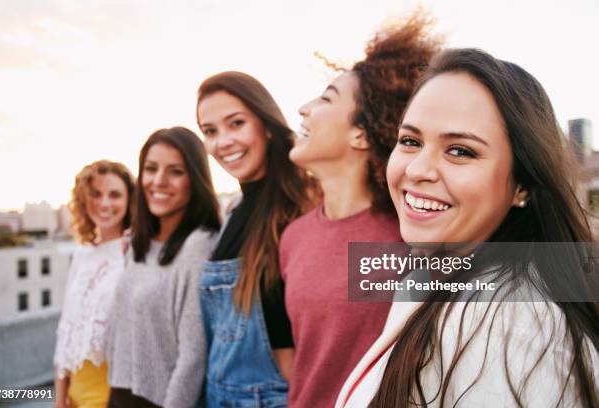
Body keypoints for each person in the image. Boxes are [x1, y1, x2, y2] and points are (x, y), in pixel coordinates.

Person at [337, 48, 599, 407]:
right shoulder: (440, 281)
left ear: (522, 186)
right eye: (410, 141)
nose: (417, 170)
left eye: (460, 151)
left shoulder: (511, 328)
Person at [278, 14, 440, 408]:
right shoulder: (294, 236)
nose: (303, 108)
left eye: (326, 98)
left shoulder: (409, 240)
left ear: (362, 133)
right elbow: (301, 360)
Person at [196, 71, 315, 407]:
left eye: (236, 123)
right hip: (219, 395)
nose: (223, 142)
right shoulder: (233, 212)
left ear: (265, 124)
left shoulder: (304, 206)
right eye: (210, 131)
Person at [107, 127, 220, 408]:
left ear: (195, 179)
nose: (159, 181)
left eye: (176, 172)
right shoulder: (137, 243)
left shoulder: (198, 245)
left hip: (162, 401)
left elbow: (193, 355)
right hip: (120, 393)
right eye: (151, 168)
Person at [54, 160, 135, 408]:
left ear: (130, 200)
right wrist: (60, 398)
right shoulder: (83, 253)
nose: (105, 203)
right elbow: (65, 329)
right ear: (83, 200)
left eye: (115, 194)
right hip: (75, 395)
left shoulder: (136, 253)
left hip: (113, 396)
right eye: (96, 194)